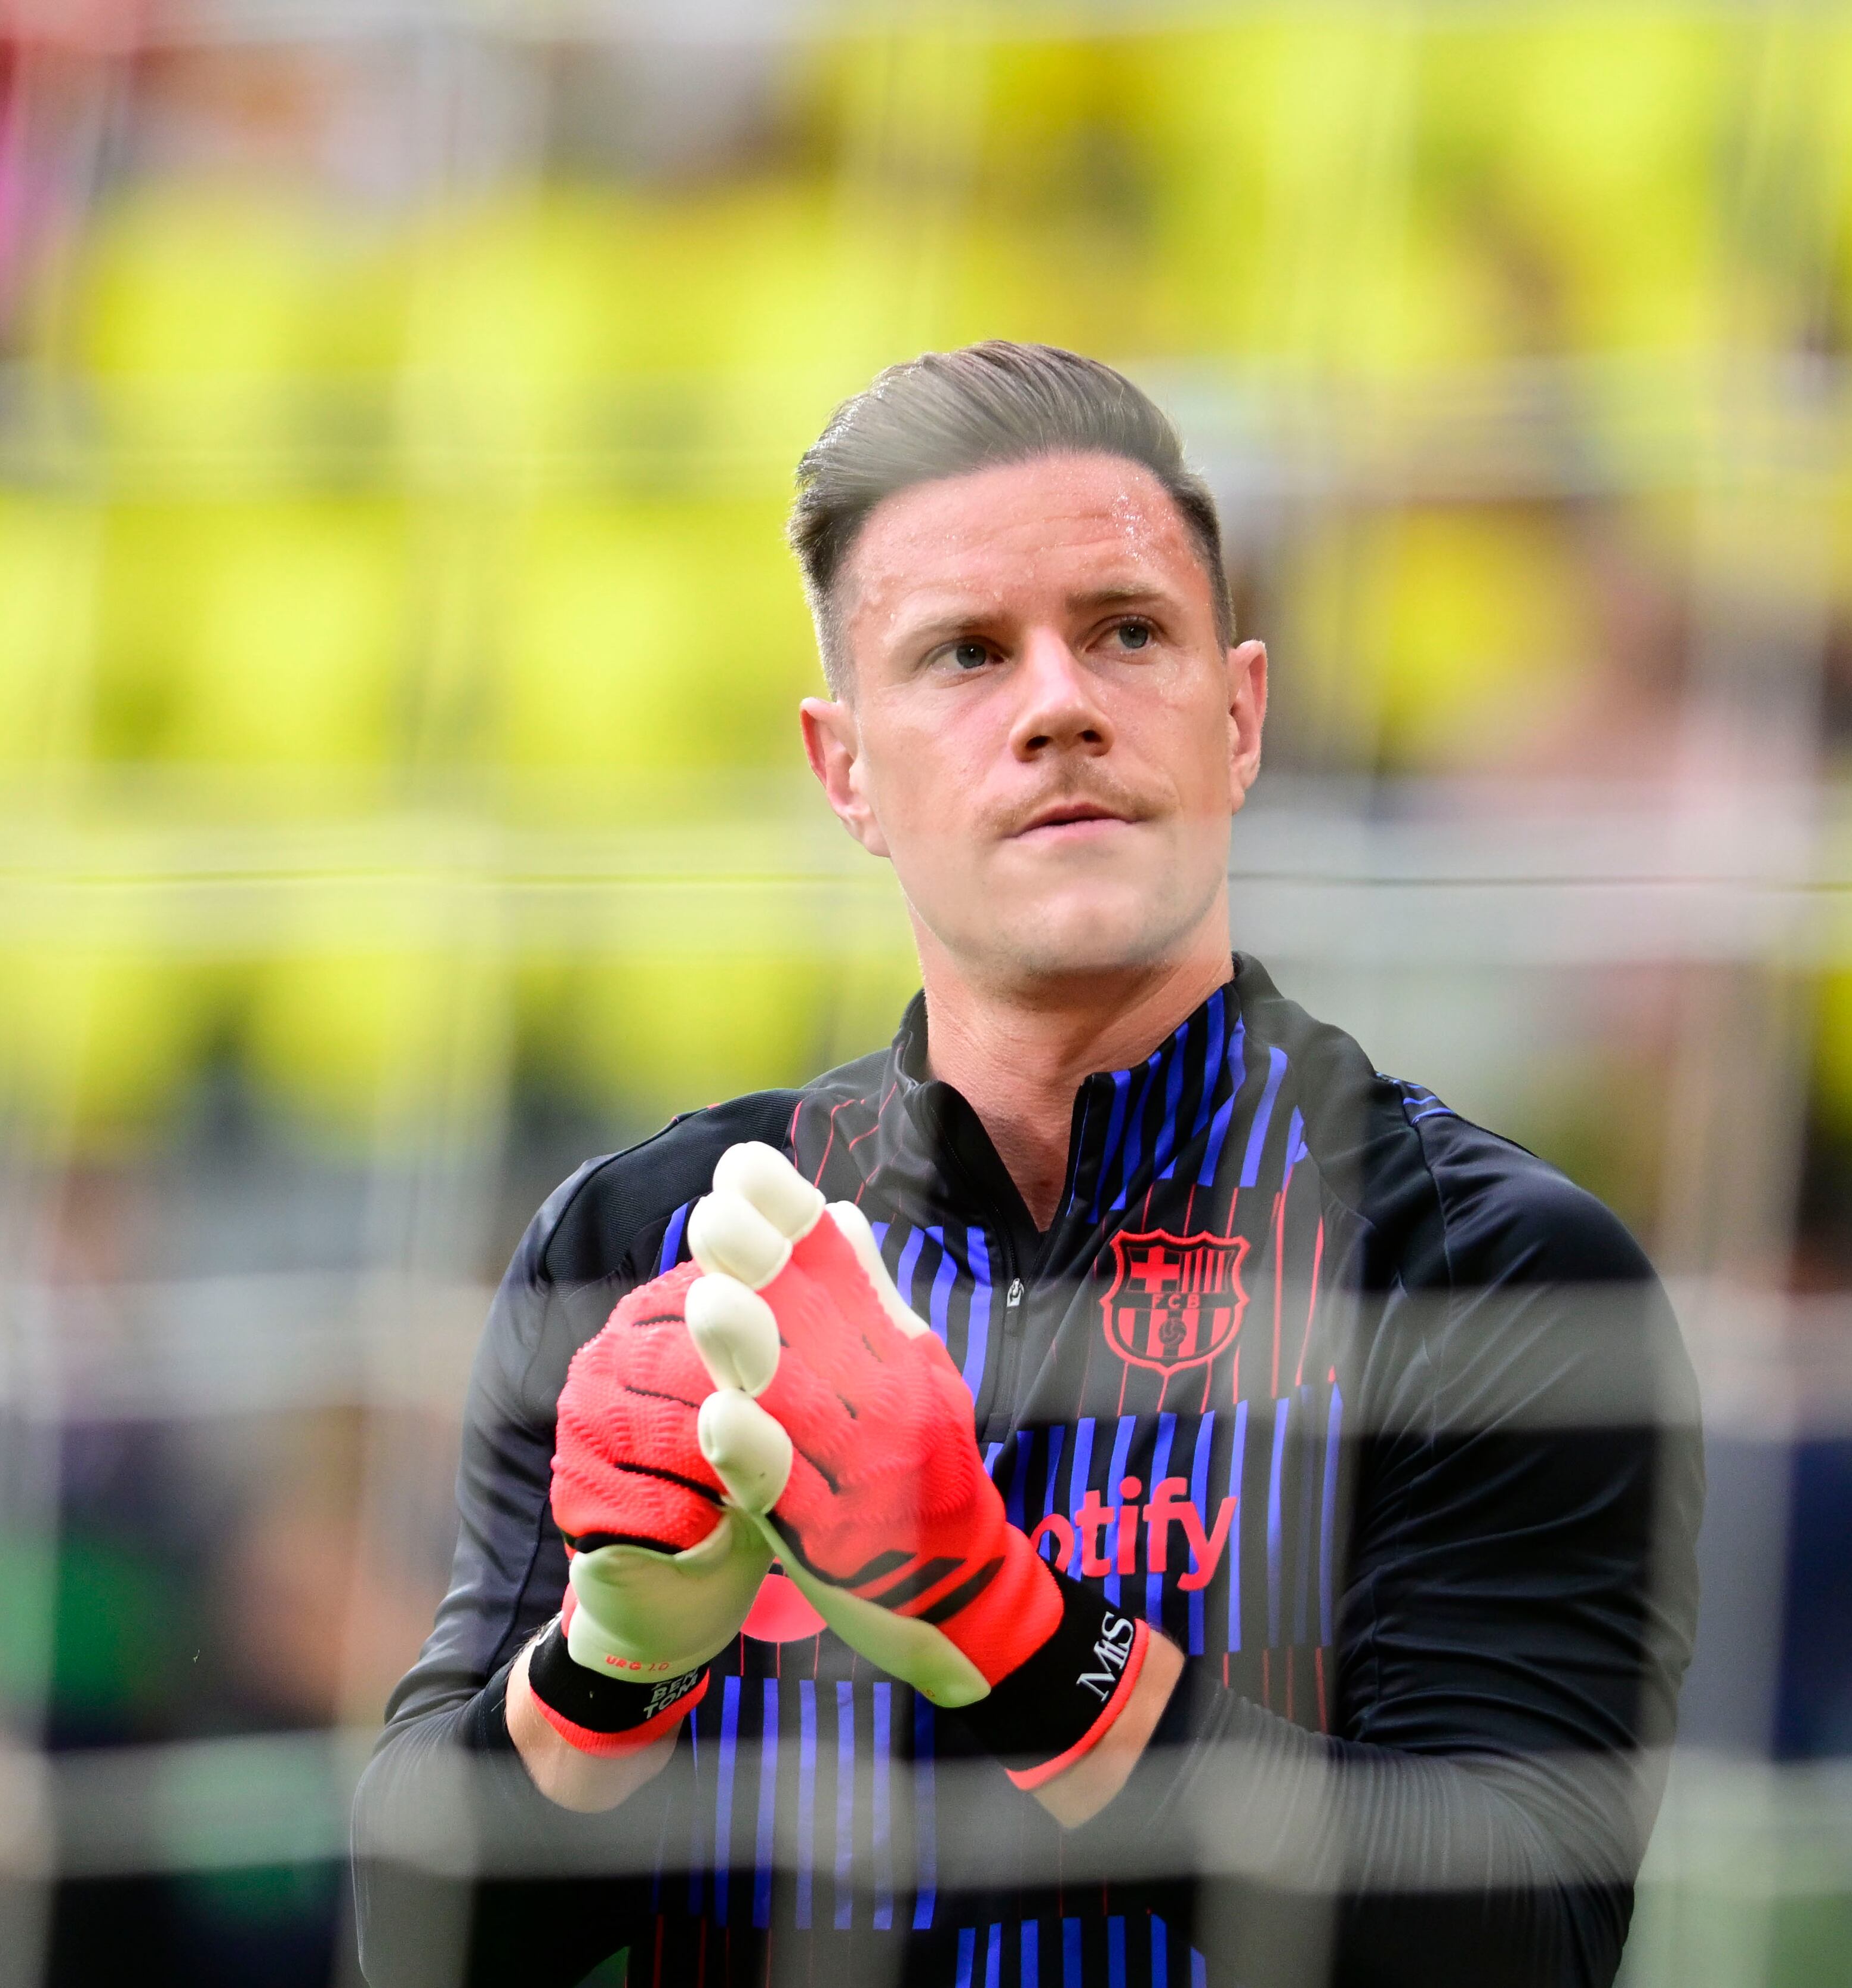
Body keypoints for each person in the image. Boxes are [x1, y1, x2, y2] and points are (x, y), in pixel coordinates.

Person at [352, 341, 1702, 1987]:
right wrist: (607, 1670)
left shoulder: (1491, 1266)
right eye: (966, 653)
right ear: (846, 769)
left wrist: (1007, 1623)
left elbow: (1528, 1943)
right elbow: (408, 1946)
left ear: (1242, 710)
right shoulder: (651, 1244)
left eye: (1126, 632)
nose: (1058, 700)